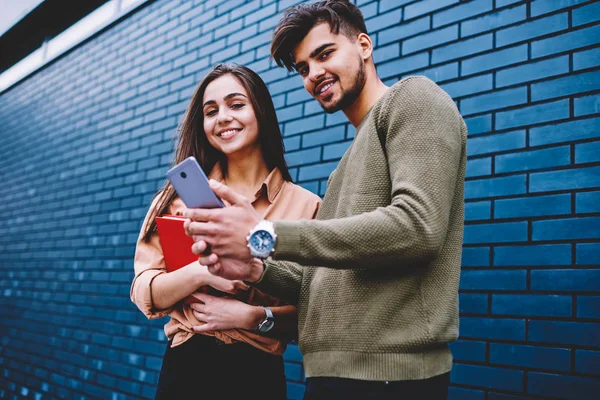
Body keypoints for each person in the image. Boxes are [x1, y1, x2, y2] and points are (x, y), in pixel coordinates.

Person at [184, 1, 467, 399]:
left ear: (364, 45)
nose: (314, 73)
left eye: (324, 54)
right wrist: (253, 269)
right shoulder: (344, 169)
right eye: (303, 68)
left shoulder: (413, 99)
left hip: (390, 378)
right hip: (333, 376)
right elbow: (317, 282)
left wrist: (264, 233)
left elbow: (417, 227)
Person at [131, 63, 321, 399]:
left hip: (257, 375)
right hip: (185, 368)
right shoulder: (175, 200)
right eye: (211, 110)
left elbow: (315, 309)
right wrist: (202, 273)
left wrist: (250, 316)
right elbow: (144, 291)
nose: (222, 118)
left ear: (261, 111)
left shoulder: (306, 206)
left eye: (236, 105)